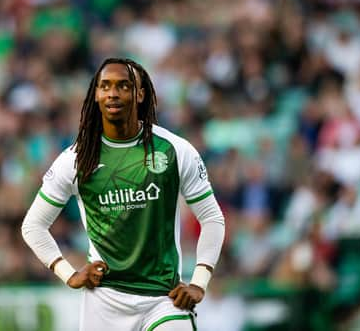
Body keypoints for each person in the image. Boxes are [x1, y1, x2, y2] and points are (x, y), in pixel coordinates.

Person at [21, 58, 226, 330]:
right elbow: (33, 226)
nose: (113, 93)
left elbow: (212, 218)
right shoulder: (76, 159)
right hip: (104, 301)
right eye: (105, 86)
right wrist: (67, 273)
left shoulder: (174, 150)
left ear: (140, 94)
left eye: (123, 86)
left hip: (164, 298)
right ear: (96, 95)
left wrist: (199, 282)